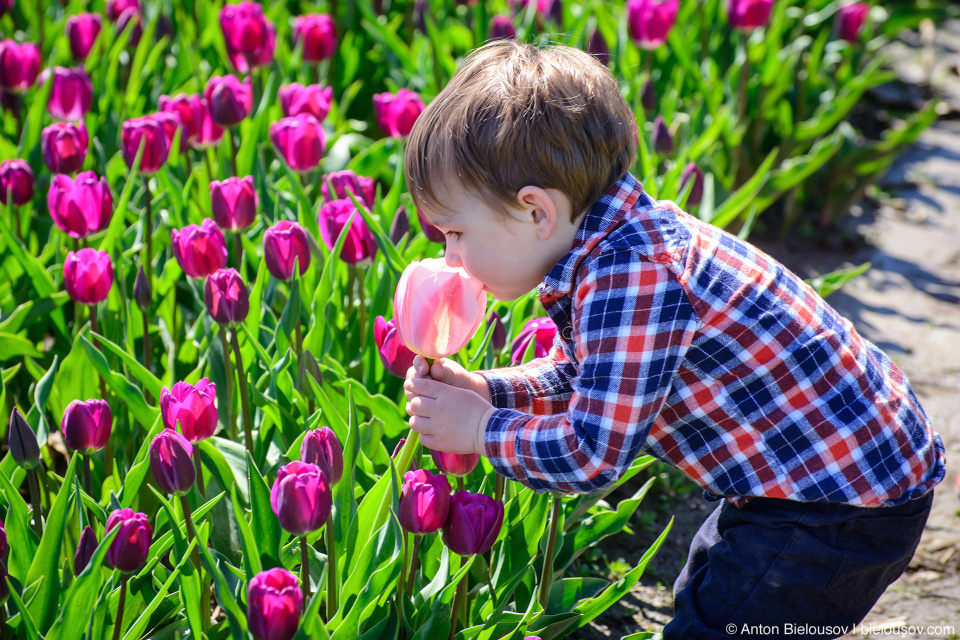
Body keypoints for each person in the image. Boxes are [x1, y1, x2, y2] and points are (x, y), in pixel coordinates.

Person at [401, 38, 946, 640]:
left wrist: (479, 429)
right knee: (708, 603)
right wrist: (487, 390)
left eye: (454, 232)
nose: (448, 254)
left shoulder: (634, 276)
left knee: (720, 628)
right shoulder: (613, 246)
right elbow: (585, 379)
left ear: (536, 212)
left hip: (838, 503)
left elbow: (591, 454)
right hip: (807, 479)